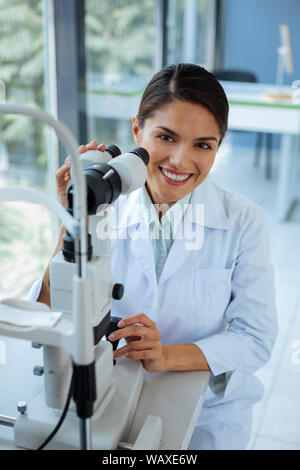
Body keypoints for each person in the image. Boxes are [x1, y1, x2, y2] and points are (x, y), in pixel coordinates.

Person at [30, 63, 278, 450]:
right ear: (137, 131)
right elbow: (46, 311)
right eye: (166, 137)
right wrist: (75, 220)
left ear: (218, 146)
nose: (180, 161)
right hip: (111, 395)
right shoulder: (105, 207)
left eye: (202, 145)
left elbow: (257, 339)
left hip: (209, 411)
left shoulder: (243, 221)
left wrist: (169, 355)